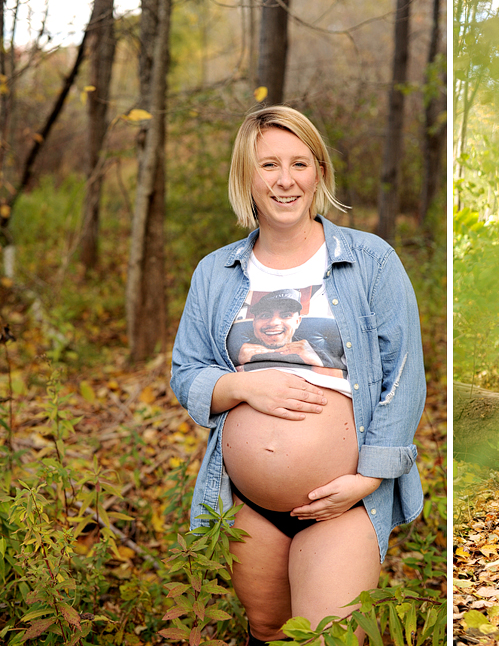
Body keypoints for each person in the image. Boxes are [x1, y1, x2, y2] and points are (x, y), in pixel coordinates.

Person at [170, 105, 426, 645]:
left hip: (343, 499)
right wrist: (242, 385)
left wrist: (370, 476)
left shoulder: (370, 259)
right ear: (246, 177)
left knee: (326, 637)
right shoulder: (215, 272)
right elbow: (186, 371)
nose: (285, 180)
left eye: (299, 163)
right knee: (265, 630)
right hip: (248, 503)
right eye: (268, 165)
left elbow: (404, 375)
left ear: (320, 173)